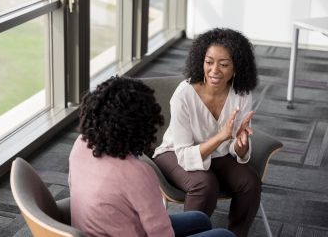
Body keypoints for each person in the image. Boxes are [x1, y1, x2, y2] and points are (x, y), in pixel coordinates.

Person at [69, 76, 236, 237]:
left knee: (199, 220)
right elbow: (160, 232)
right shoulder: (137, 172)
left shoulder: (81, 144)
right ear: (142, 126)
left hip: (97, 229)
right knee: (225, 235)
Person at [152, 28, 261, 237]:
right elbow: (183, 154)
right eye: (209, 62)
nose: (214, 70)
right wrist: (222, 136)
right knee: (205, 184)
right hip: (174, 153)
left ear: (237, 67)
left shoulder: (242, 94)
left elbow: (233, 146)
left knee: (250, 182)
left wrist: (241, 144)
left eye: (224, 64)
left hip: (217, 153)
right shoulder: (184, 95)